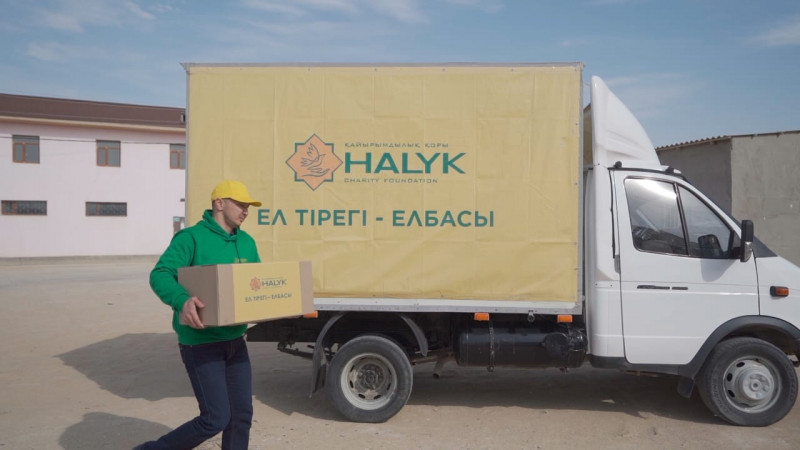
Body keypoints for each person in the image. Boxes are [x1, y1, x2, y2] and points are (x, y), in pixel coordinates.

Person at [136, 180, 262, 450]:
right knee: (215, 419)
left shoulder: (247, 243)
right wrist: (181, 301)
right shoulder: (190, 238)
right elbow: (160, 274)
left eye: (248, 206)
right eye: (240, 204)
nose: (246, 211)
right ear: (219, 204)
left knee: (241, 416)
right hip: (201, 343)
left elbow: (255, 284)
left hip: (235, 341)